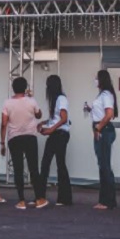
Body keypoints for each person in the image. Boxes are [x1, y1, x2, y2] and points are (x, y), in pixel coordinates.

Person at [1, 77, 48, 210]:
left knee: (18, 169)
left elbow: (4, 123)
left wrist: (2, 142)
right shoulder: (31, 101)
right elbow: (39, 115)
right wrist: (31, 98)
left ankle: (21, 200)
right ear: (25, 87)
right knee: (34, 168)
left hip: (14, 138)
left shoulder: (7, 103)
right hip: (30, 137)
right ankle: (39, 198)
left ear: (13, 88)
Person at [38, 75, 72, 206]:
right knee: (48, 163)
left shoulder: (61, 99)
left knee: (58, 164)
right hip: (57, 134)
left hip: (60, 134)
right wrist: (43, 122)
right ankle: (41, 196)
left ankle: (64, 198)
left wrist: (51, 129)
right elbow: (57, 118)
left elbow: (64, 118)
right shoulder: (57, 100)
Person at [90, 70, 118, 210]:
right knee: (103, 164)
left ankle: (108, 201)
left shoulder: (106, 94)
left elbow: (109, 114)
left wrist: (98, 128)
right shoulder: (103, 94)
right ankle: (105, 200)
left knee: (104, 165)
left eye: (97, 78)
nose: (95, 80)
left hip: (104, 130)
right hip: (102, 128)